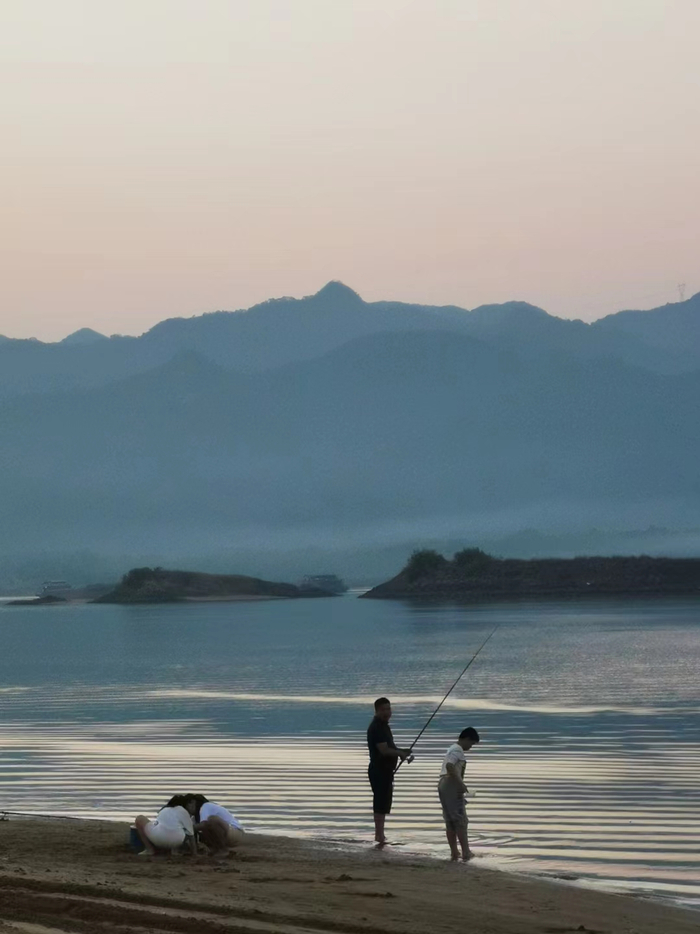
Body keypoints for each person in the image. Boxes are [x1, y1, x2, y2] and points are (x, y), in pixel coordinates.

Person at [366, 697, 411, 846]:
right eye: (384, 709)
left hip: (385, 770)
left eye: (389, 709)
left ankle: (381, 835)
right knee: (380, 804)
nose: (387, 712)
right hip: (379, 770)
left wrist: (401, 752)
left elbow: (390, 747)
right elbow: (384, 750)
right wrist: (399, 754)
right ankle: (379, 836)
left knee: (384, 804)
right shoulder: (377, 727)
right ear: (377, 711)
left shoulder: (384, 726)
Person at [437, 726, 480, 861]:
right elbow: (450, 766)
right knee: (461, 820)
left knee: (450, 821)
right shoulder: (458, 750)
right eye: (471, 743)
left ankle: (455, 853)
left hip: (443, 784)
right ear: (466, 739)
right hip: (451, 785)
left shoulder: (452, 748)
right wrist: (460, 784)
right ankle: (466, 852)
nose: (470, 747)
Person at [134, 794, 198, 857]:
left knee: (140, 819)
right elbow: (191, 835)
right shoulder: (184, 812)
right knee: (185, 830)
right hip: (176, 842)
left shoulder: (164, 810)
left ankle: (149, 849)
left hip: (157, 839)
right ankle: (175, 850)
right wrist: (194, 853)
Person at [192, 795, 245, 859]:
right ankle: (216, 849)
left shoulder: (206, 806)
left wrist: (187, 828)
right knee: (201, 830)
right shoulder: (194, 817)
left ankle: (223, 850)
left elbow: (203, 824)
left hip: (235, 832)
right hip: (227, 833)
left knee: (212, 820)